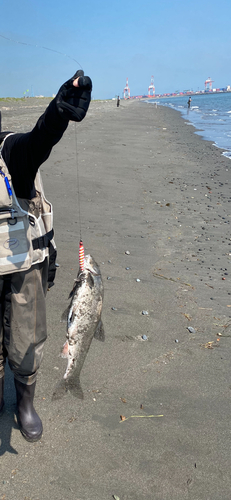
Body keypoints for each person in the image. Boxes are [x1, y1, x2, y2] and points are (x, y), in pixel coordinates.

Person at [0, 70, 92, 442]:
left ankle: (25, 403)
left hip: (22, 267)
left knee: (26, 336)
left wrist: (59, 113)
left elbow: (37, 141)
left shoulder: (10, 151)